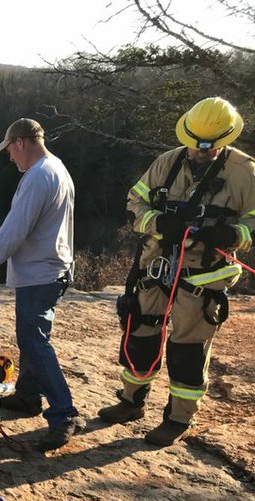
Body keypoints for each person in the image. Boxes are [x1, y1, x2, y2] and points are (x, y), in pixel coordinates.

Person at [99, 97, 255, 446]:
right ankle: (131, 401)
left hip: (203, 276)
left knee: (187, 349)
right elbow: (134, 203)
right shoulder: (167, 163)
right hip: (157, 266)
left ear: (224, 140)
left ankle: (178, 418)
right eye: (195, 146)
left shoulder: (246, 173)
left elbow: (252, 224)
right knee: (140, 333)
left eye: (208, 148)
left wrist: (234, 235)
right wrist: (157, 223)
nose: (199, 153)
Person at [0, 118, 84, 452]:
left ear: (21, 142)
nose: (10, 158)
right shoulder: (57, 168)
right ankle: (27, 396)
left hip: (42, 272)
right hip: (53, 268)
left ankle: (64, 414)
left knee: (34, 342)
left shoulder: (38, 176)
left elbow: (13, 231)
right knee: (33, 338)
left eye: (10, 150)